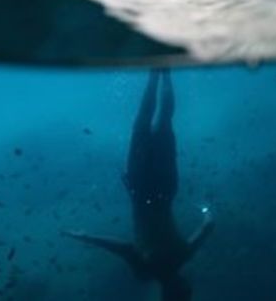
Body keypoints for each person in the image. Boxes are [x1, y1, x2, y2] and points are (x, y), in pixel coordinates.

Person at [64, 69, 213, 300]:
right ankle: (157, 72)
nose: (186, 284)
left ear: (180, 288)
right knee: (143, 123)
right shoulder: (146, 270)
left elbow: (208, 226)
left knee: (162, 120)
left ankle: (163, 71)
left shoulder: (184, 255)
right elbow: (123, 248)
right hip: (141, 189)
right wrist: (86, 237)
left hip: (164, 190)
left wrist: (204, 209)